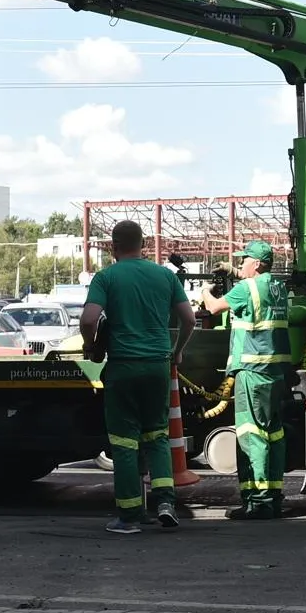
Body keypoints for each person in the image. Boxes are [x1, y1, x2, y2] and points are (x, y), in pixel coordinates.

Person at [80, 219, 196, 535]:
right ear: (143, 244)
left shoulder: (106, 277)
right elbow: (189, 319)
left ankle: (130, 517)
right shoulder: (164, 276)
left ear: (113, 246)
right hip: (157, 365)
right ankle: (165, 503)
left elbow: (90, 318)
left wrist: (91, 347)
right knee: (157, 436)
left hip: (124, 367)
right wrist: (177, 351)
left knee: (124, 443)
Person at [200, 239, 292, 521]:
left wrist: (204, 290)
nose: (240, 265)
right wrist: (231, 270)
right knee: (273, 434)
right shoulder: (277, 287)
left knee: (251, 435)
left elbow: (214, 308)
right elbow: (254, 284)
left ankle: (259, 502)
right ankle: (273, 497)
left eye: (243, 261)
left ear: (256, 263)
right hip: (275, 373)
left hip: (251, 372)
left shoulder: (246, 289)